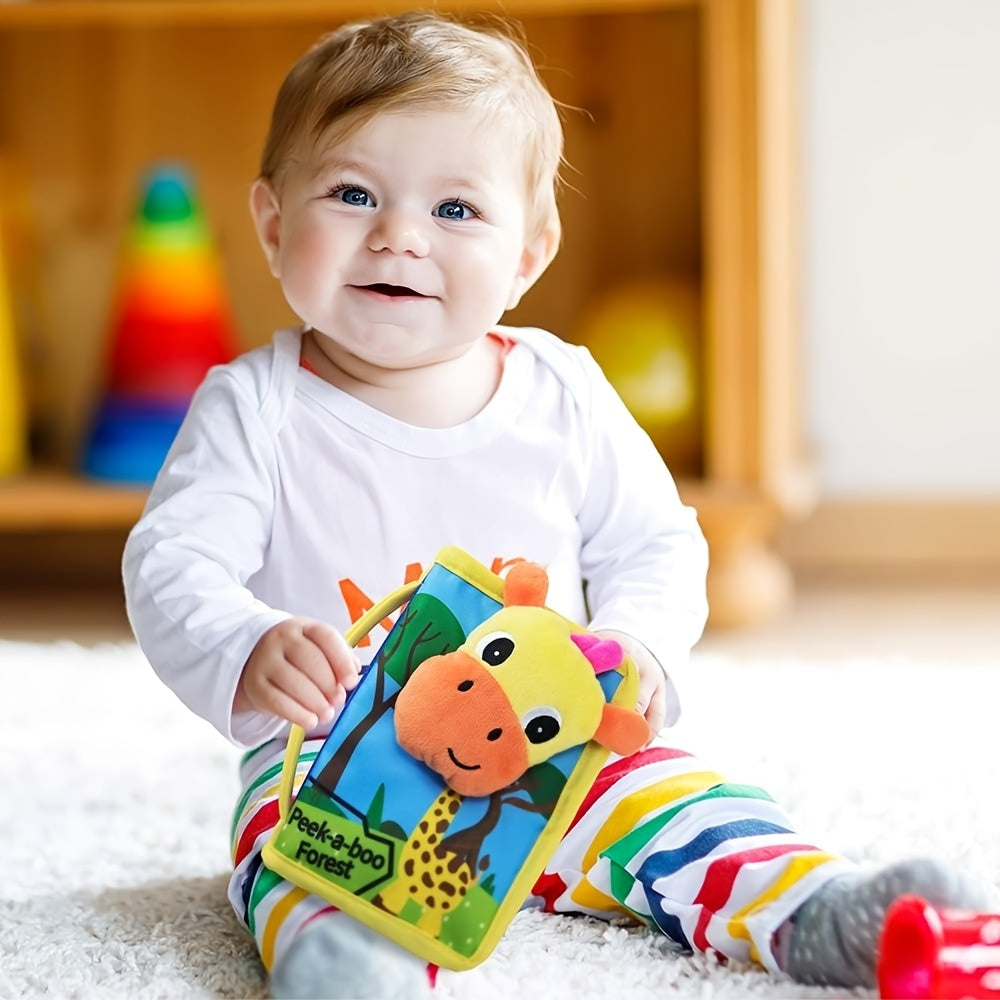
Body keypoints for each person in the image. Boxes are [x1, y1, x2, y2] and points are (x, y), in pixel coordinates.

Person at [123, 10, 998, 999]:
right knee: (290, 855)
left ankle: (820, 911)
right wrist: (247, 640)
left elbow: (655, 545)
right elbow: (172, 565)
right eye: (353, 192)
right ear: (275, 224)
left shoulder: (563, 389)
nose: (399, 234)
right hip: (338, 754)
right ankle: (343, 967)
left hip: (554, 750)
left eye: (454, 209)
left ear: (529, 253)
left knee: (680, 801)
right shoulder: (255, 405)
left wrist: (637, 648)